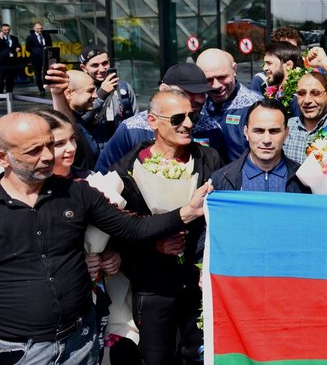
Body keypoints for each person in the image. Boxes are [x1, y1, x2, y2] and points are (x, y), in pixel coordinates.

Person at [0, 112, 210, 365]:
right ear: (4, 157)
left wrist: (187, 212)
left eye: (49, 145)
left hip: (80, 342)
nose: (47, 155)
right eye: (34, 150)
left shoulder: (76, 192)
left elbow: (132, 227)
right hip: (18, 350)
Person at [111, 90, 222, 365]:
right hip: (153, 287)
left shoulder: (209, 159)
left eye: (191, 116)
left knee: (199, 356)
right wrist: (155, 246)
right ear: (152, 121)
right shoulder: (128, 168)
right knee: (157, 358)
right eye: (177, 118)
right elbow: (119, 232)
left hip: (197, 283)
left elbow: (220, 220)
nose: (188, 124)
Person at [94, 62, 225, 173]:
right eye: (187, 93)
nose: (198, 99)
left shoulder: (212, 128)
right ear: (164, 90)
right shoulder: (131, 129)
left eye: (202, 93)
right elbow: (104, 175)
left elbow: (222, 177)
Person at [210, 98, 309, 193]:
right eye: (258, 131)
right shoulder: (220, 180)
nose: (266, 140)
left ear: (286, 132)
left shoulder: (304, 179)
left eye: (274, 131)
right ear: (246, 132)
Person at [196, 48, 262, 162]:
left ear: (234, 70)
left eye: (222, 77)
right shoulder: (194, 105)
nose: (216, 85)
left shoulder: (257, 106)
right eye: (208, 80)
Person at [78, 45, 138, 150]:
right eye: (95, 65)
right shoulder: (78, 90)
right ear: (84, 68)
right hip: (94, 151)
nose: (102, 69)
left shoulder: (123, 87)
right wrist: (102, 94)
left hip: (123, 150)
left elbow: (136, 121)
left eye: (105, 63)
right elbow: (79, 121)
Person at [250, 28, 303, 93]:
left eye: (293, 48)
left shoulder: (305, 77)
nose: (290, 51)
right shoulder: (260, 80)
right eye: (285, 47)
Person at [25, 21, 52, 96]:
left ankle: (49, 87)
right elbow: (28, 48)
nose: (40, 30)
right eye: (38, 28)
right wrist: (35, 51)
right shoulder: (30, 37)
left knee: (48, 73)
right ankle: (41, 90)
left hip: (45, 58)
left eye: (41, 28)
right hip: (36, 59)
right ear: (34, 29)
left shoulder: (46, 35)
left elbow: (50, 45)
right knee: (38, 75)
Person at [0, 23, 21, 94]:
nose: (7, 31)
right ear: (1, 30)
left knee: (10, 79)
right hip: (2, 62)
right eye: (5, 30)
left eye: (8, 30)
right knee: (1, 79)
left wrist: (18, 48)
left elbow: (18, 46)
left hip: (12, 62)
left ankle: (9, 93)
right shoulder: (0, 38)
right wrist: (1, 38)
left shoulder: (14, 38)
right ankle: (1, 94)